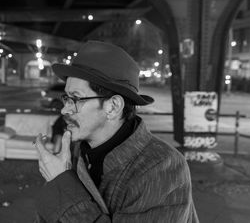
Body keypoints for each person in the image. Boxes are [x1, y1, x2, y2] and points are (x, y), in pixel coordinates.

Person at [34, 40, 198, 222]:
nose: (65, 110)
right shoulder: (77, 150)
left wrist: (62, 183)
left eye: (76, 99)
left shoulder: (163, 168)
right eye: (66, 98)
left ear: (113, 107)